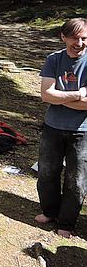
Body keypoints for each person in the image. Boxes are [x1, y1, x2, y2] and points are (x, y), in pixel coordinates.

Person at [36, 17, 87, 238]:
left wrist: (59, 96)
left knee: (76, 179)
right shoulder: (54, 60)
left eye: (84, 38)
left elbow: (54, 95)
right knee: (47, 172)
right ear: (63, 37)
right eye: (75, 38)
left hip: (83, 131)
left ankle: (66, 223)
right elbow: (46, 94)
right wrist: (77, 95)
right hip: (52, 127)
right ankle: (49, 212)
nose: (80, 42)